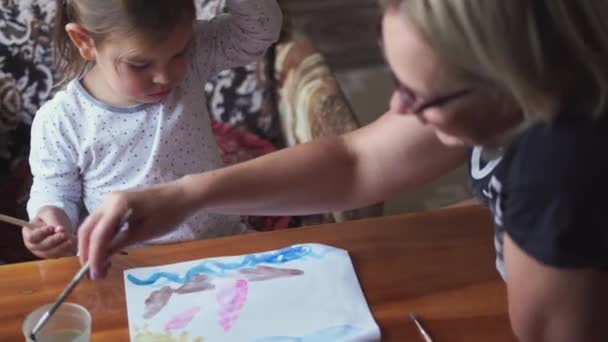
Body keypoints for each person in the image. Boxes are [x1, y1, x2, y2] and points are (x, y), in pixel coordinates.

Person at [78, 1, 608, 340]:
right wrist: (185, 195)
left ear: (507, 81)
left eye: (421, 95)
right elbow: (357, 161)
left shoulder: (560, 170)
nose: (398, 108)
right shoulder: (535, 93)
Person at [23, 0, 282, 259]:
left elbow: (259, 31)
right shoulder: (61, 120)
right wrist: (51, 218)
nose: (165, 77)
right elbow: (54, 188)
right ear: (85, 41)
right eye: (140, 65)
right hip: (126, 262)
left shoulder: (194, 60)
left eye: (179, 52)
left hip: (221, 241)